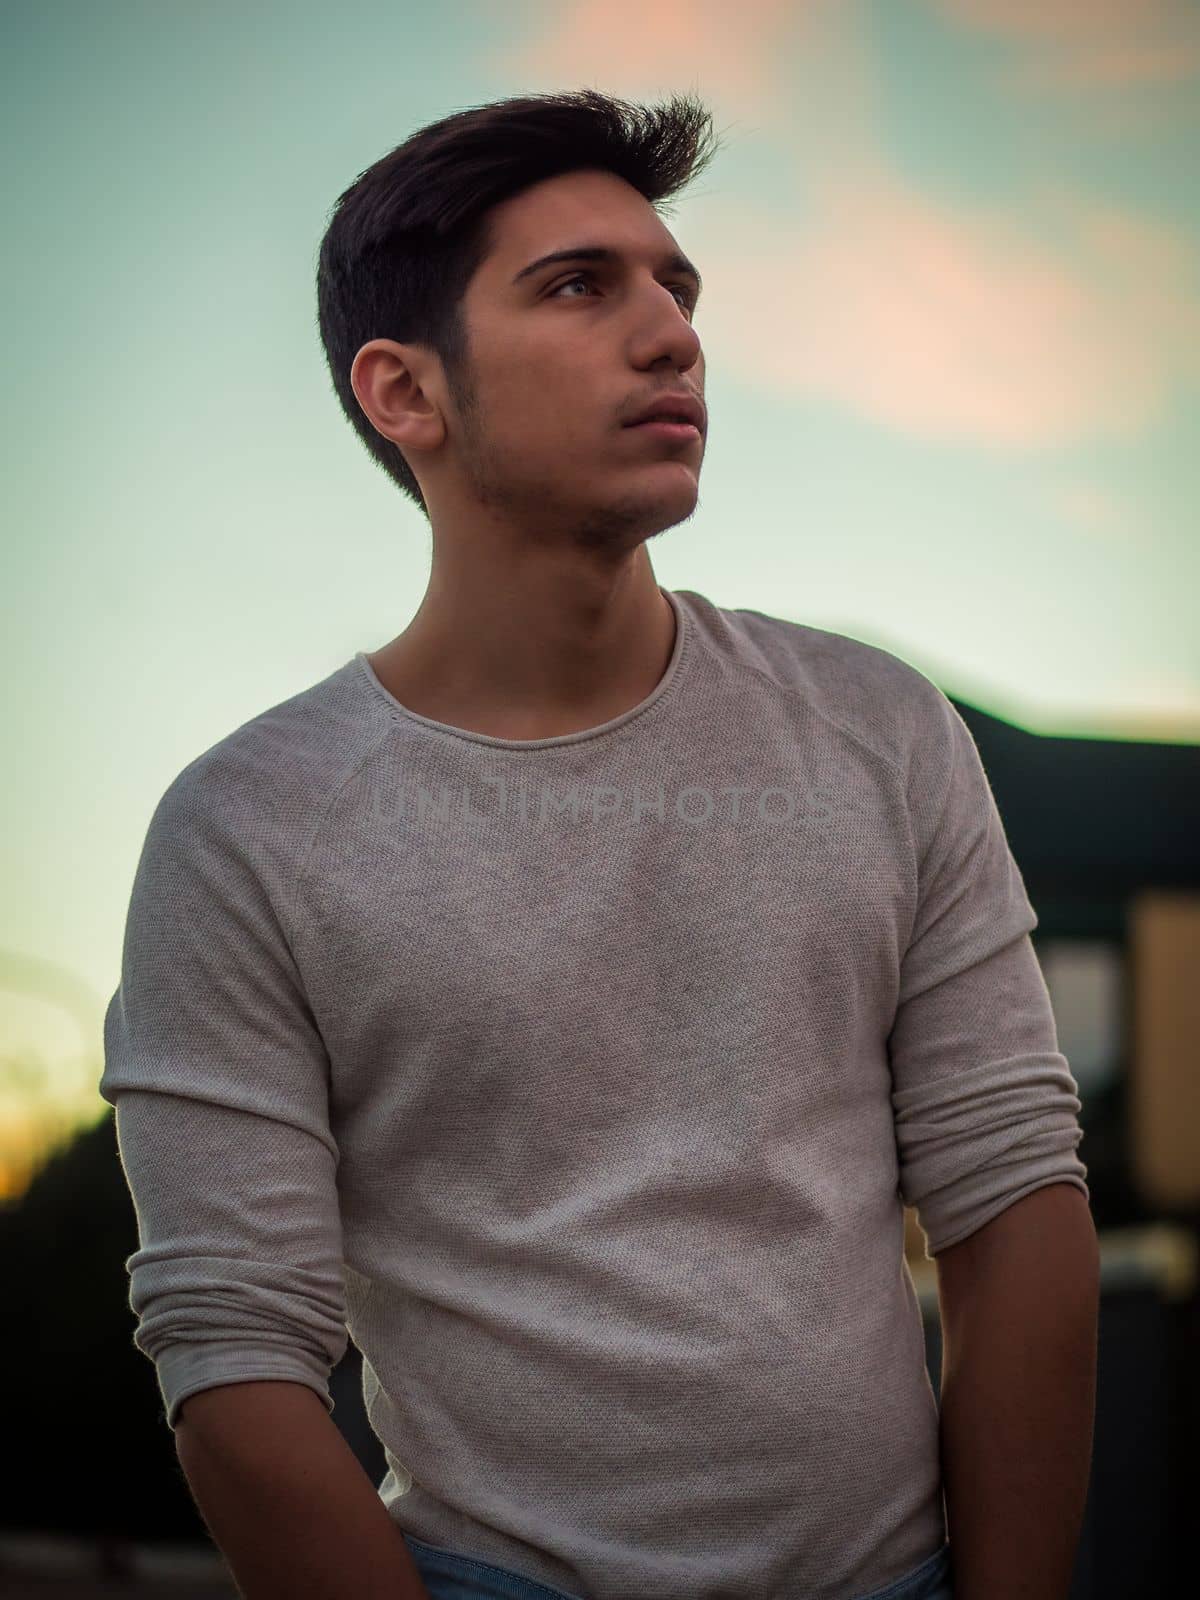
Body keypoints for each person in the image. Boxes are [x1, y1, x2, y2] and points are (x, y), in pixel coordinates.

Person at [101, 88, 1094, 1600]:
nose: (671, 332)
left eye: (675, 287)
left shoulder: (878, 731)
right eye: (579, 286)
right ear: (404, 393)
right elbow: (233, 1350)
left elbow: (1014, 1196)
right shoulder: (246, 833)